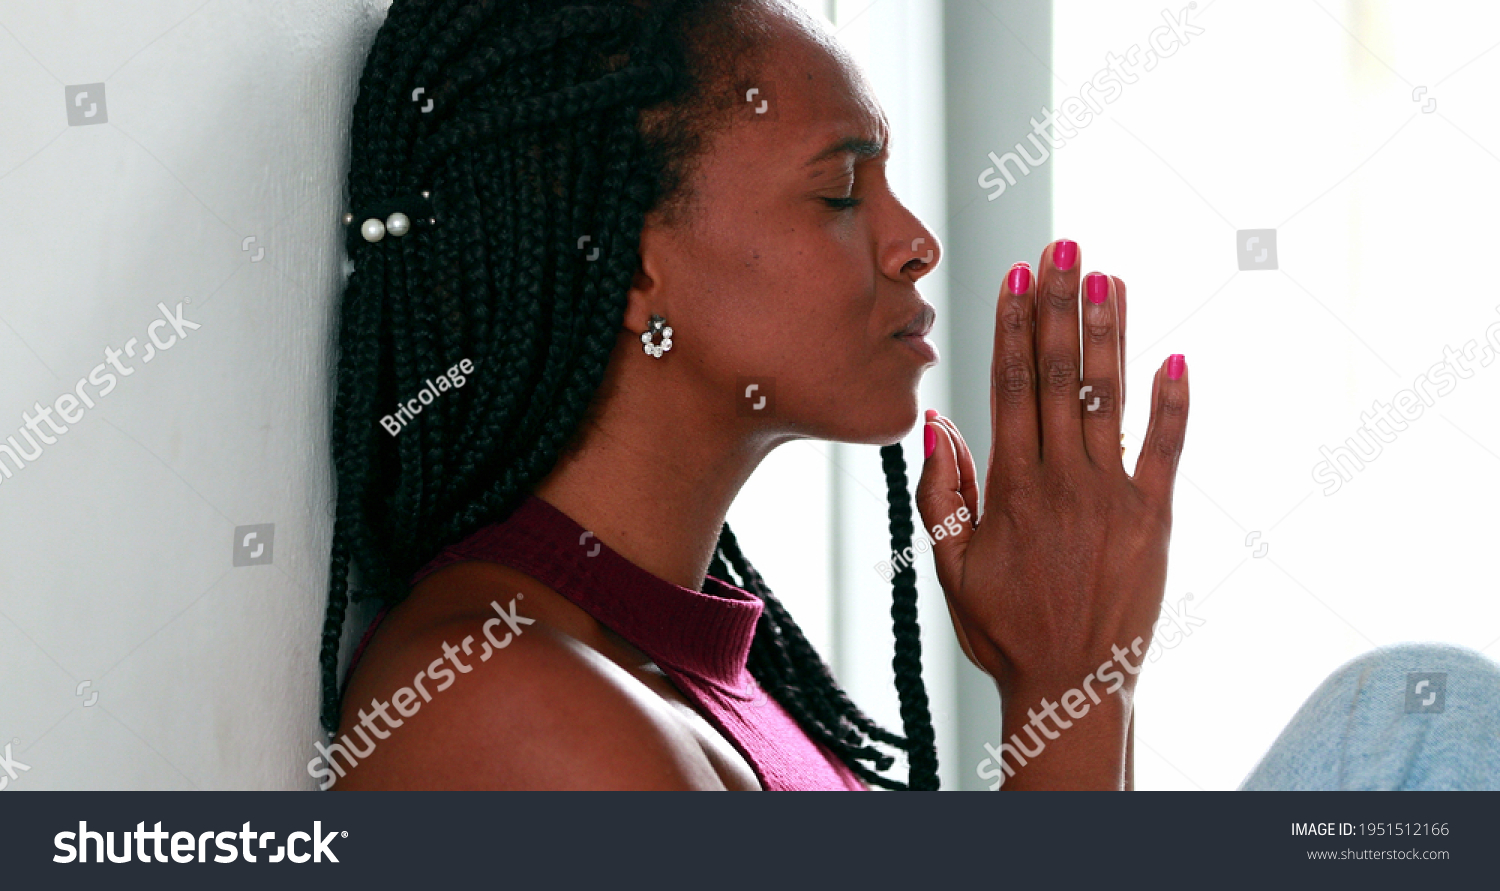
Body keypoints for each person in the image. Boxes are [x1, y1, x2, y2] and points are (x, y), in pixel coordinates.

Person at [315, 0, 1500, 791]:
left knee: (1409, 716)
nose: (915, 241)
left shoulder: (696, 657)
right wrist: (1070, 687)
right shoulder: (498, 703)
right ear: (628, 259)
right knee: (1416, 729)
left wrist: (1082, 683)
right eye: (840, 192)